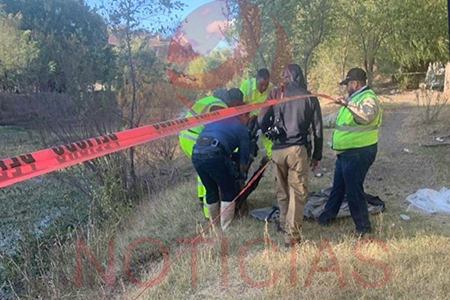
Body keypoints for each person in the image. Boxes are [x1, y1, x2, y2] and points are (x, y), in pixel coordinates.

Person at [258, 64, 323, 246]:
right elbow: (317, 129)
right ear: (300, 76)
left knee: (282, 189)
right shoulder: (309, 96)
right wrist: (317, 155)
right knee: (297, 192)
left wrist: (269, 131)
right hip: (297, 150)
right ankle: (292, 236)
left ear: (287, 77)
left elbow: (261, 119)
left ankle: (283, 223)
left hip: (278, 150)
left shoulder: (276, 95)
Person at [318, 68, 382, 236]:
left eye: (347, 84)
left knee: (353, 190)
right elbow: (336, 120)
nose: (346, 88)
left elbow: (366, 116)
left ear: (355, 83)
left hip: (358, 152)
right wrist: (316, 123)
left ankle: (363, 227)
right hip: (346, 153)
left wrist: (347, 103)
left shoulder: (368, 99)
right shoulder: (353, 99)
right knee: (338, 187)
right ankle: (327, 217)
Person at [191, 88, 250, 231]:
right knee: (228, 190)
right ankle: (226, 228)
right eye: (247, 116)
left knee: (211, 191)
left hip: (197, 152)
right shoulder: (242, 129)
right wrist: (241, 177)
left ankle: (214, 227)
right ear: (243, 115)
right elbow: (244, 161)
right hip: (214, 153)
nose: (248, 120)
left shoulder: (220, 118)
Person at [179, 89, 235, 219]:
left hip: (186, 135)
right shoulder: (220, 107)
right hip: (195, 138)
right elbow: (220, 130)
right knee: (209, 173)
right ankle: (209, 214)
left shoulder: (209, 101)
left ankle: (201, 198)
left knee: (202, 170)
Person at [240, 69, 273, 158]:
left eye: (266, 85)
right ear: (256, 79)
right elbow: (240, 104)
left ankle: (271, 157)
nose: (263, 88)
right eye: (261, 84)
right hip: (248, 118)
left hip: (263, 119)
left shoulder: (272, 89)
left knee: (268, 137)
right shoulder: (246, 85)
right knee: (243, 138)